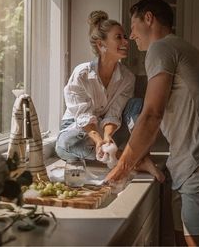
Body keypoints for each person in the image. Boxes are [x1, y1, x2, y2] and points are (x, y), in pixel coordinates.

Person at [105, 0, 199, 246]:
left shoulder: (161, 48)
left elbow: (151, 115)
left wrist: (122, 167)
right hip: (190, 165)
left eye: (133, 25)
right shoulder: (180, 48)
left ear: (149, 18)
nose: (131, 34)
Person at [55, 10, 164, 182]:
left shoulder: (127, 77)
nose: (126, 42)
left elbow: (115, 113)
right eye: (118, 37)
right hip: (81, 131)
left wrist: (107, 137)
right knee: (64, 145)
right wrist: (99, 141)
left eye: (125, 37)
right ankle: (136, 161)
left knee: (137, 104)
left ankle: (136, 152)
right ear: (101, 44)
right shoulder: (82, 74)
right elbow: (83, 116)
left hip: (111, 128)